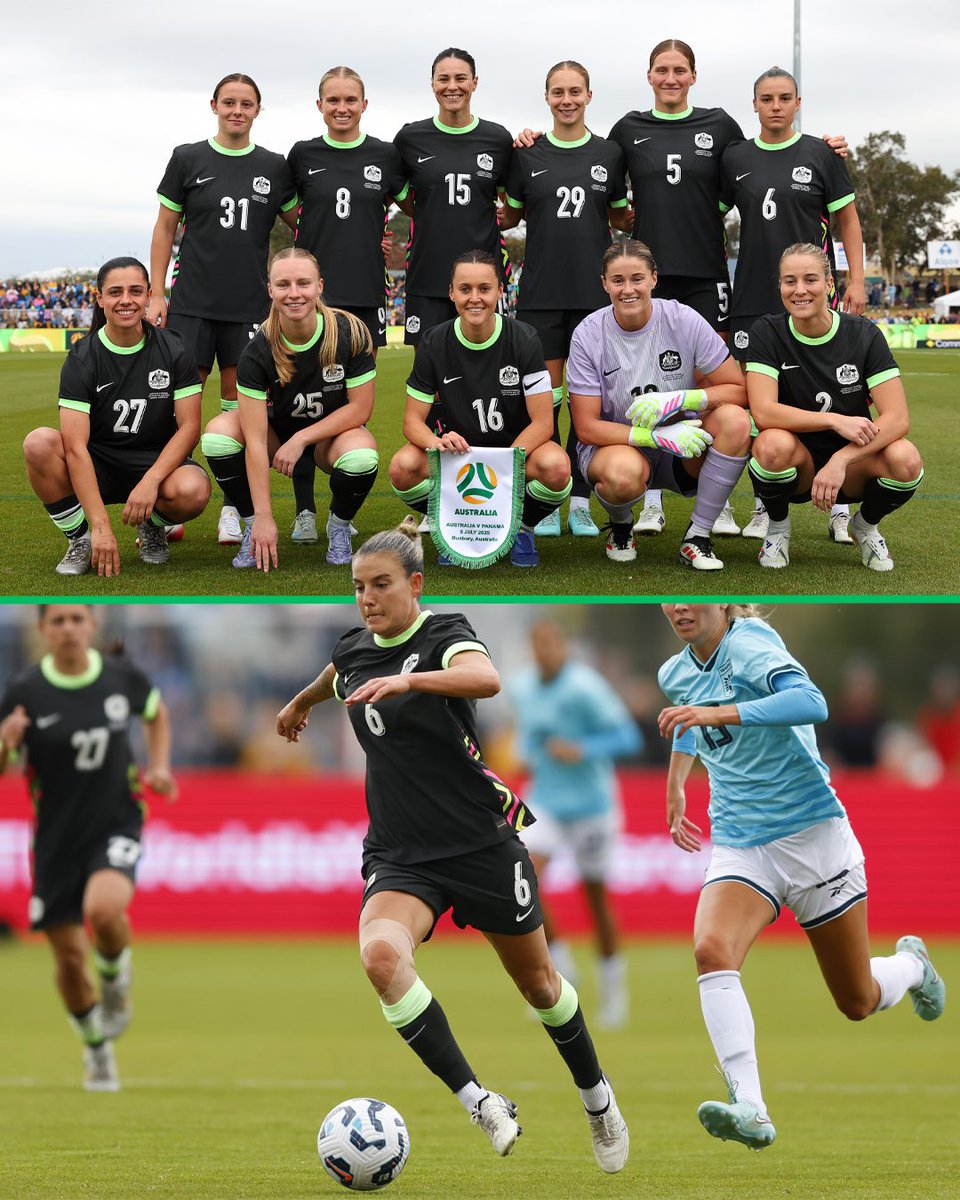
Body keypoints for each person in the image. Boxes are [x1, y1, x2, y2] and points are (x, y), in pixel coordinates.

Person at [276, 519, 629, 1173]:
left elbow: (486, 679)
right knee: (381, 959)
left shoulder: (445, 634)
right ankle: (479, 1100)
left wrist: (410, 682)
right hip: (400, 854)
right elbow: (340, 670)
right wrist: (303, 701)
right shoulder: (355, 647)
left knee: (542, 988)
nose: (367, 599)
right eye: (358, 587)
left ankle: (598, 1099)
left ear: (414, 585)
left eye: (381, 585)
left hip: (479, 844)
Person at [657, 602, 946, 1150]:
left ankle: (912, 965)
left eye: (689, 595)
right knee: (711, 951)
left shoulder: (749, 644)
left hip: (813, 839)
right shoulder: (674, 672)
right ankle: (751, 1107)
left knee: (856, 1000)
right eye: (669, 597)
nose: (679, 606)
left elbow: (811, 702)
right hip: (743, 844)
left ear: (722, 599)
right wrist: (677, 782)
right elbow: (688, 720)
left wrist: (717, 714)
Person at [608, 39, 847, 542]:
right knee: (649, 380)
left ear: (694, 76)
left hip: (707, 273)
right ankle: (651, 499)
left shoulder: (722, 129)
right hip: (649, 274)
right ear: (649, 76)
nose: (670, 78)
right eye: (661, 70)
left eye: (680, 70)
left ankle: (711, 503)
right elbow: (603, 190)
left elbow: (762, 167)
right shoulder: (627, 129)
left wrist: (827, 150)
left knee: (712, 389)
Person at [0, 604, 177, 1091]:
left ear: (92, 624)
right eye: (57, 621)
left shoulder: (120, 676)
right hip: (55, 840)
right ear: (42, 630)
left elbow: (156, 712)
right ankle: (96, 1049)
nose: (69, 628)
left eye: (77, 619)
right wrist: (5, 743)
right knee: (69, 962)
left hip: (116, 821)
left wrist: (159, 766)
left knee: (103, 911)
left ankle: (117, 980)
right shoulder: (23, 692)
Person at [147, 73, 298, 546]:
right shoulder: (188, 158)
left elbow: (306, 224)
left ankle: (234, 508)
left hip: (249, 307)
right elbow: (165, 227)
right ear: (213, 104)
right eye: (229, 102)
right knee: (177, 409)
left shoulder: (274, 166)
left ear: (258, 110)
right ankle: (166, 509)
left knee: (239, 412)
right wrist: (157, 293)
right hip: (191, 303)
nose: (237, 110)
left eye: (246, 103)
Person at [721, 67, 866, 545]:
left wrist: (856, 280)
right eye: (767, 98)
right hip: (751, 299)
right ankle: (765, 505)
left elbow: (847, 220)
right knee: (761, 408)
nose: (776, 105)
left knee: (841, 394)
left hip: (810, 293)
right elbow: (707, 209)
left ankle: (841, 506)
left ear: (798, 102)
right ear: (755, 104)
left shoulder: (821, 153)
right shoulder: (736, 156)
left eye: (785, 97)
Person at [499, 61, 630, 540]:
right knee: (546, 400)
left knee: (586, 402)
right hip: (540, 294)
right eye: (558, 92)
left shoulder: (610, 154)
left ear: (589, 96)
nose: (567, 99)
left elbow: (621, 217)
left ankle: (578, 501)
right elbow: (509, 214)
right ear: (547, 97)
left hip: (595, 298)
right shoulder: (527, 153)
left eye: (575, 91)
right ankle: (550, 499)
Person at [22, 257, 211, 578]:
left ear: (149, 295)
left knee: (194, 488)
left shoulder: (175, 347)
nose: (126, 300)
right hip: (98, 464)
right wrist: (100, 526)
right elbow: (75, 447)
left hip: (155, 463)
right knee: (38, 443)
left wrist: (150, 482)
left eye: (136, 291)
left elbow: (190, 426)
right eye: (115, 292)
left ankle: (153, 526)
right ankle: (79, 539)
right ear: (99, 298)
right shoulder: (82, 358)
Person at [567, 240, 751, 570]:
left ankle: (698, 536)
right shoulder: (587, 335)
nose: (628, 290)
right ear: (604, 283)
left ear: (654, 278)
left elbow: (740, 389)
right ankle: (621, 527)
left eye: (637, 278)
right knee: (622, 475)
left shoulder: (684, 319)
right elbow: (586, 427)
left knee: (735, 421)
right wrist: (655, 436)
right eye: (618, 280)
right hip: (618, 448)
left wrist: (683, 399)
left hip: (684, 445)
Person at [745, 244, 923, 572]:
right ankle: (778, 528)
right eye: (789, 281)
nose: (799, 290)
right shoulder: (767, 332)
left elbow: (898, 418)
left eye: (810, 279)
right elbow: (764, 412)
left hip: (852, 467)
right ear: (780, 286)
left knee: (907, 459)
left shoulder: (864, 334)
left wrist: (841, 459)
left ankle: (865, 525)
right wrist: (834, 421)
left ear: (829, 284)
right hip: (797, 466)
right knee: (770, 445)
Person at [389, 250, 571, 568]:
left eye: (484, 289)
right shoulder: (434, 342)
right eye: (465, 289)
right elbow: (411, 422)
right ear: (451, 293)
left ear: (500, 290)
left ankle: (522, 528)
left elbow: (543, 424)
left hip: (515, 452)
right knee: (402, 467)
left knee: (557, 467)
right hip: (457, 456)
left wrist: (506, 464)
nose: (475, 298)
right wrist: (436, 443)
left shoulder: (525, 339)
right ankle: (452, 523)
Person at [285, 66, 406, 544]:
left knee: (352, 402)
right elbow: (290, 208)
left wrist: (367, 235)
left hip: (364, 296)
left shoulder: (384, 155)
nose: (342, 108)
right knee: (300, 401)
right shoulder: (302, 155)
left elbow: (404, 202)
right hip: (311, 298)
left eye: (350, 100)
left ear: (364, 104)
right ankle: (303, 512)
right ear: (319, 105)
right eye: (332, 100)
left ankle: (340, 512)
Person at [201, 248, 378, 571]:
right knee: (218, 435)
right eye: (283, 285)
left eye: (303, 283)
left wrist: (302, 440)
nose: (294, 293)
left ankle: (338, 526)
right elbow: (255, 440)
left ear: (319, 286)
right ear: (270, 290)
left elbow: (360, 409)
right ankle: (252, 526)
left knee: (362, 456)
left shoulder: (349, 332)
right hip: (275, 438)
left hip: (329, 437)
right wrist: (264, 516)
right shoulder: (257, 350)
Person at [508, 618, 641, 1029]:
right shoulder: (522, 687)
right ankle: (560, 969)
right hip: (546, 799)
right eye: (537, 644)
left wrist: (581, 748)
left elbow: (627, 737)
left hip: (592, 805)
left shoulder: (585, 687)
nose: (544, 651)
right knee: (522, 881)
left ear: (563, 646)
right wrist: (525, 749)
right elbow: (530, 736)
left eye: (551, 643)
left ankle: (614, 992)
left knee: (596, 899)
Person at [393, 48, 513, 348]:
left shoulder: (497, 139)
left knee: (488, 367)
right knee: (429, 372)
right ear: (432, 83)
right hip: (428, 273)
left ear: (474, 82)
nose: (452, 86)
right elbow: (400, 197)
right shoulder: (411, 138)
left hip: (483, 279)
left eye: (461, 78)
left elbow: (513, 204)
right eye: (443, 79)